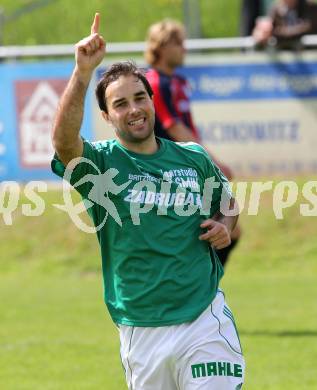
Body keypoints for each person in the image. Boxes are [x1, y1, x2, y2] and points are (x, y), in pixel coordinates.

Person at [51, 13, 245, 390]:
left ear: (152, 101)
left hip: (204, 320)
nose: (134, 108)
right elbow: (62, 142)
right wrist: (82, 73)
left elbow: (229, 202)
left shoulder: (193, 158)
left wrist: (225, 224)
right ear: (107, 117)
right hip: (141, 331)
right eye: (120, 104)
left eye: (140, 97)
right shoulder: (101, 165)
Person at [144, 19, 241, 268]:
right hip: (169, 172)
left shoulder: (178, 82)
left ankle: (204, 281)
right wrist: (214, 163)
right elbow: (174, 127)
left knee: (228, 227)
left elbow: (187, 128)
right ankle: (200, 282)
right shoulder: (155, 82)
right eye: (179, 43)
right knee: (210, 227)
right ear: (162, 47)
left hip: (188, 166)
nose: (184, 49)